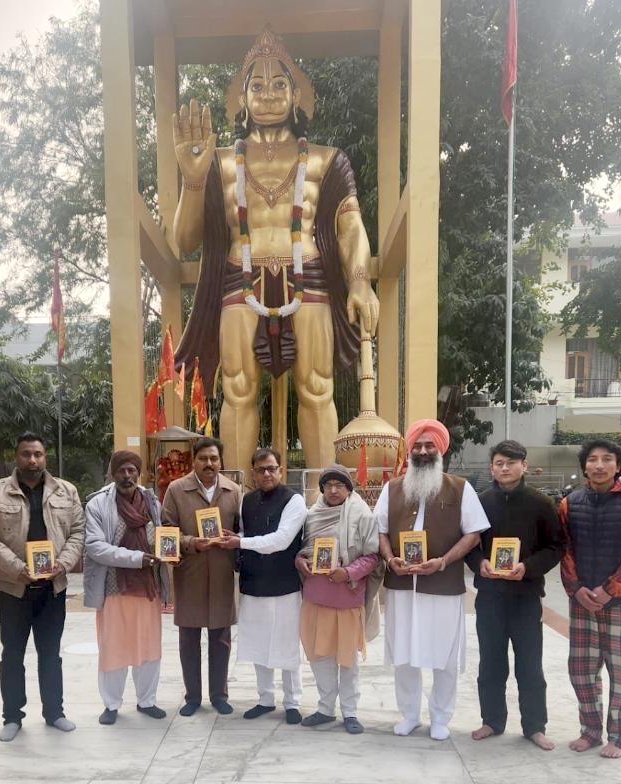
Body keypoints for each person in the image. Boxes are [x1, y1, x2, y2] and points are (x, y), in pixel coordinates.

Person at [171, 26, 380, 472]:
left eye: (280, 84)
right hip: (239, 276)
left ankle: (326, 495)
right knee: (237, 388)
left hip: (309, 274)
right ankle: (234, 492)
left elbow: (350, 226)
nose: (268, 95)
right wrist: (192, 179)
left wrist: (361, 282)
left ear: (296, 94)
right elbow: (184, 242)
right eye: (258, 86)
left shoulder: (325, 158)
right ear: (242, 98)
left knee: (318, 387)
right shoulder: (219, 161)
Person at [375, 419, 489, 740]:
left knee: (444, 655)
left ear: (440, 450)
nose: (423, 451)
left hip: (443, 586)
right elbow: (380, 531)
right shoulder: (392, 488)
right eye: (417, 445)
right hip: (401, 586)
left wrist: (443, 562)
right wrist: (390, 559)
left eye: (429, 445)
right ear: (409, 450)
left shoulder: (460, 488)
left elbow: (473, 533)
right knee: (403, 654)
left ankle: (440, 717)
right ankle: (410, 715)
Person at [0, 432, 84, 741]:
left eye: (38, 454)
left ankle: (54, 712)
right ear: (16, 457)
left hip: (53, 588)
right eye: (26, 454)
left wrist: (63, 564)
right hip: (13, 588)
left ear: (45, 457)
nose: (32, 460)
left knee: (50, 654)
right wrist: (17, 568)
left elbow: (78, 532)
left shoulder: (66, 491)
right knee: (13, 654)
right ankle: (12, 717)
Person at [466, 440, 564, 750]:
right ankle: (491, 721)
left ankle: (534, 726)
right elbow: (469, 543)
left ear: (524, 465)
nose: (505, 468)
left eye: (511, 462)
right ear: (492, 468)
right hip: (490, 597)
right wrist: (479, 563)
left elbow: (556, 546)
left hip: (525, 597)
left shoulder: (541, 503)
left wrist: (528, 567)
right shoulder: (480, 502)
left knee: (530, 665)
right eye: (499, 463)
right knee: (490, 664)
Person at [559, 439, 621, 759]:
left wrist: (610, 590)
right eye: (593, 459)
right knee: (581, 670)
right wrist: (576, 589)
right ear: (584, 466)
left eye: (607, 459)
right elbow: (565, 548)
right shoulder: (570, 502)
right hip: (582, 602)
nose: (599, 465)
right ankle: (590, 731)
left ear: (618, 466)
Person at [220, 448, 307, 724]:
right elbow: (246, 533)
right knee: (258, 642)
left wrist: (240, 542)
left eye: (272, 468)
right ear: (253, 473)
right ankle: (265, 699)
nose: (267, 474)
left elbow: (281, 540)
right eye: (261, 470)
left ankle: (292, 702)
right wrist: (236, 537)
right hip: (254, 583)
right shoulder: (247, 500)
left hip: (284, 585)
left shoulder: (294, 501)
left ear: (281, 470)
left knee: (287, 644)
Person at [295, 463, 382, 734]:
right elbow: (303, 549)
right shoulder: (312, 515)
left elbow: (373, 556)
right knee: (319, 656)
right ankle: (325, 708)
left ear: (348, 488)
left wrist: (349, 572)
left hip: (346, 597)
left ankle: (350, 711)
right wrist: (299, 560)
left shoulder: (362, 514)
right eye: (328, 485)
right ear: (322, 489)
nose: (333, 490)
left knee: (348, 659)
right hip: (315, 596)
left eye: (339, 485)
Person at [84, 450, 169, 724]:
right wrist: (136, 558)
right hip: (114, 588)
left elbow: (164, 534)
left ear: (139, 473)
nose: (127, 476)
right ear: (112, 473)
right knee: (113, 647)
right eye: (121, 470)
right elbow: (95, 547)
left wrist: (169, 550)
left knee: (149, 647)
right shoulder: (98, 504)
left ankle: (147, 701)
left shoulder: (151, 501)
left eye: (132, 470)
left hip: (147, 588)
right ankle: (111, 705)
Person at [161, 437, 242, 716]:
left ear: (221, 461)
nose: (209, 463)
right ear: (193, 461)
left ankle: (219, 695)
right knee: (189, 639)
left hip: (221, 573)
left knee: (221, 638)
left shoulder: (233, 491)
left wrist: (235, 539)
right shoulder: (176, 490)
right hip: (190, 572)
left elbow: (242, 530)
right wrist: (192, 542)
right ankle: (192, 697)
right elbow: (166, 531)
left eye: (214, 458)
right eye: (203, 458)